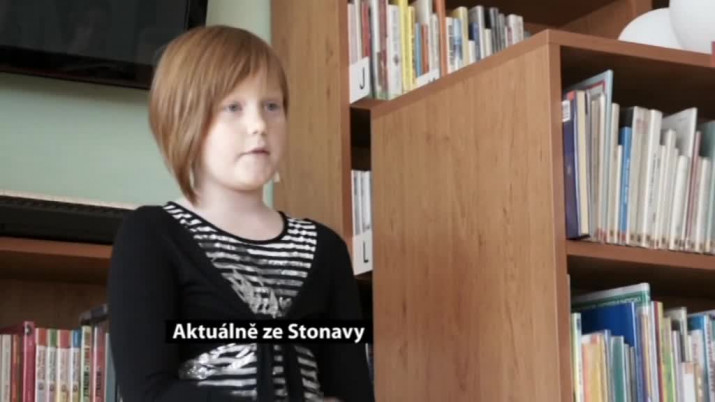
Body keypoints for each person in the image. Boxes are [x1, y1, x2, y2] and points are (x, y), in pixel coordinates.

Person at [107, 25, 374, 402]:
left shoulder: (325, 248)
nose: (259, 126)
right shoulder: (151, 235)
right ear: (184, 119)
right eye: (233, 107)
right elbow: (148, 392)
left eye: (272, 106)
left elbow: (354, 391)